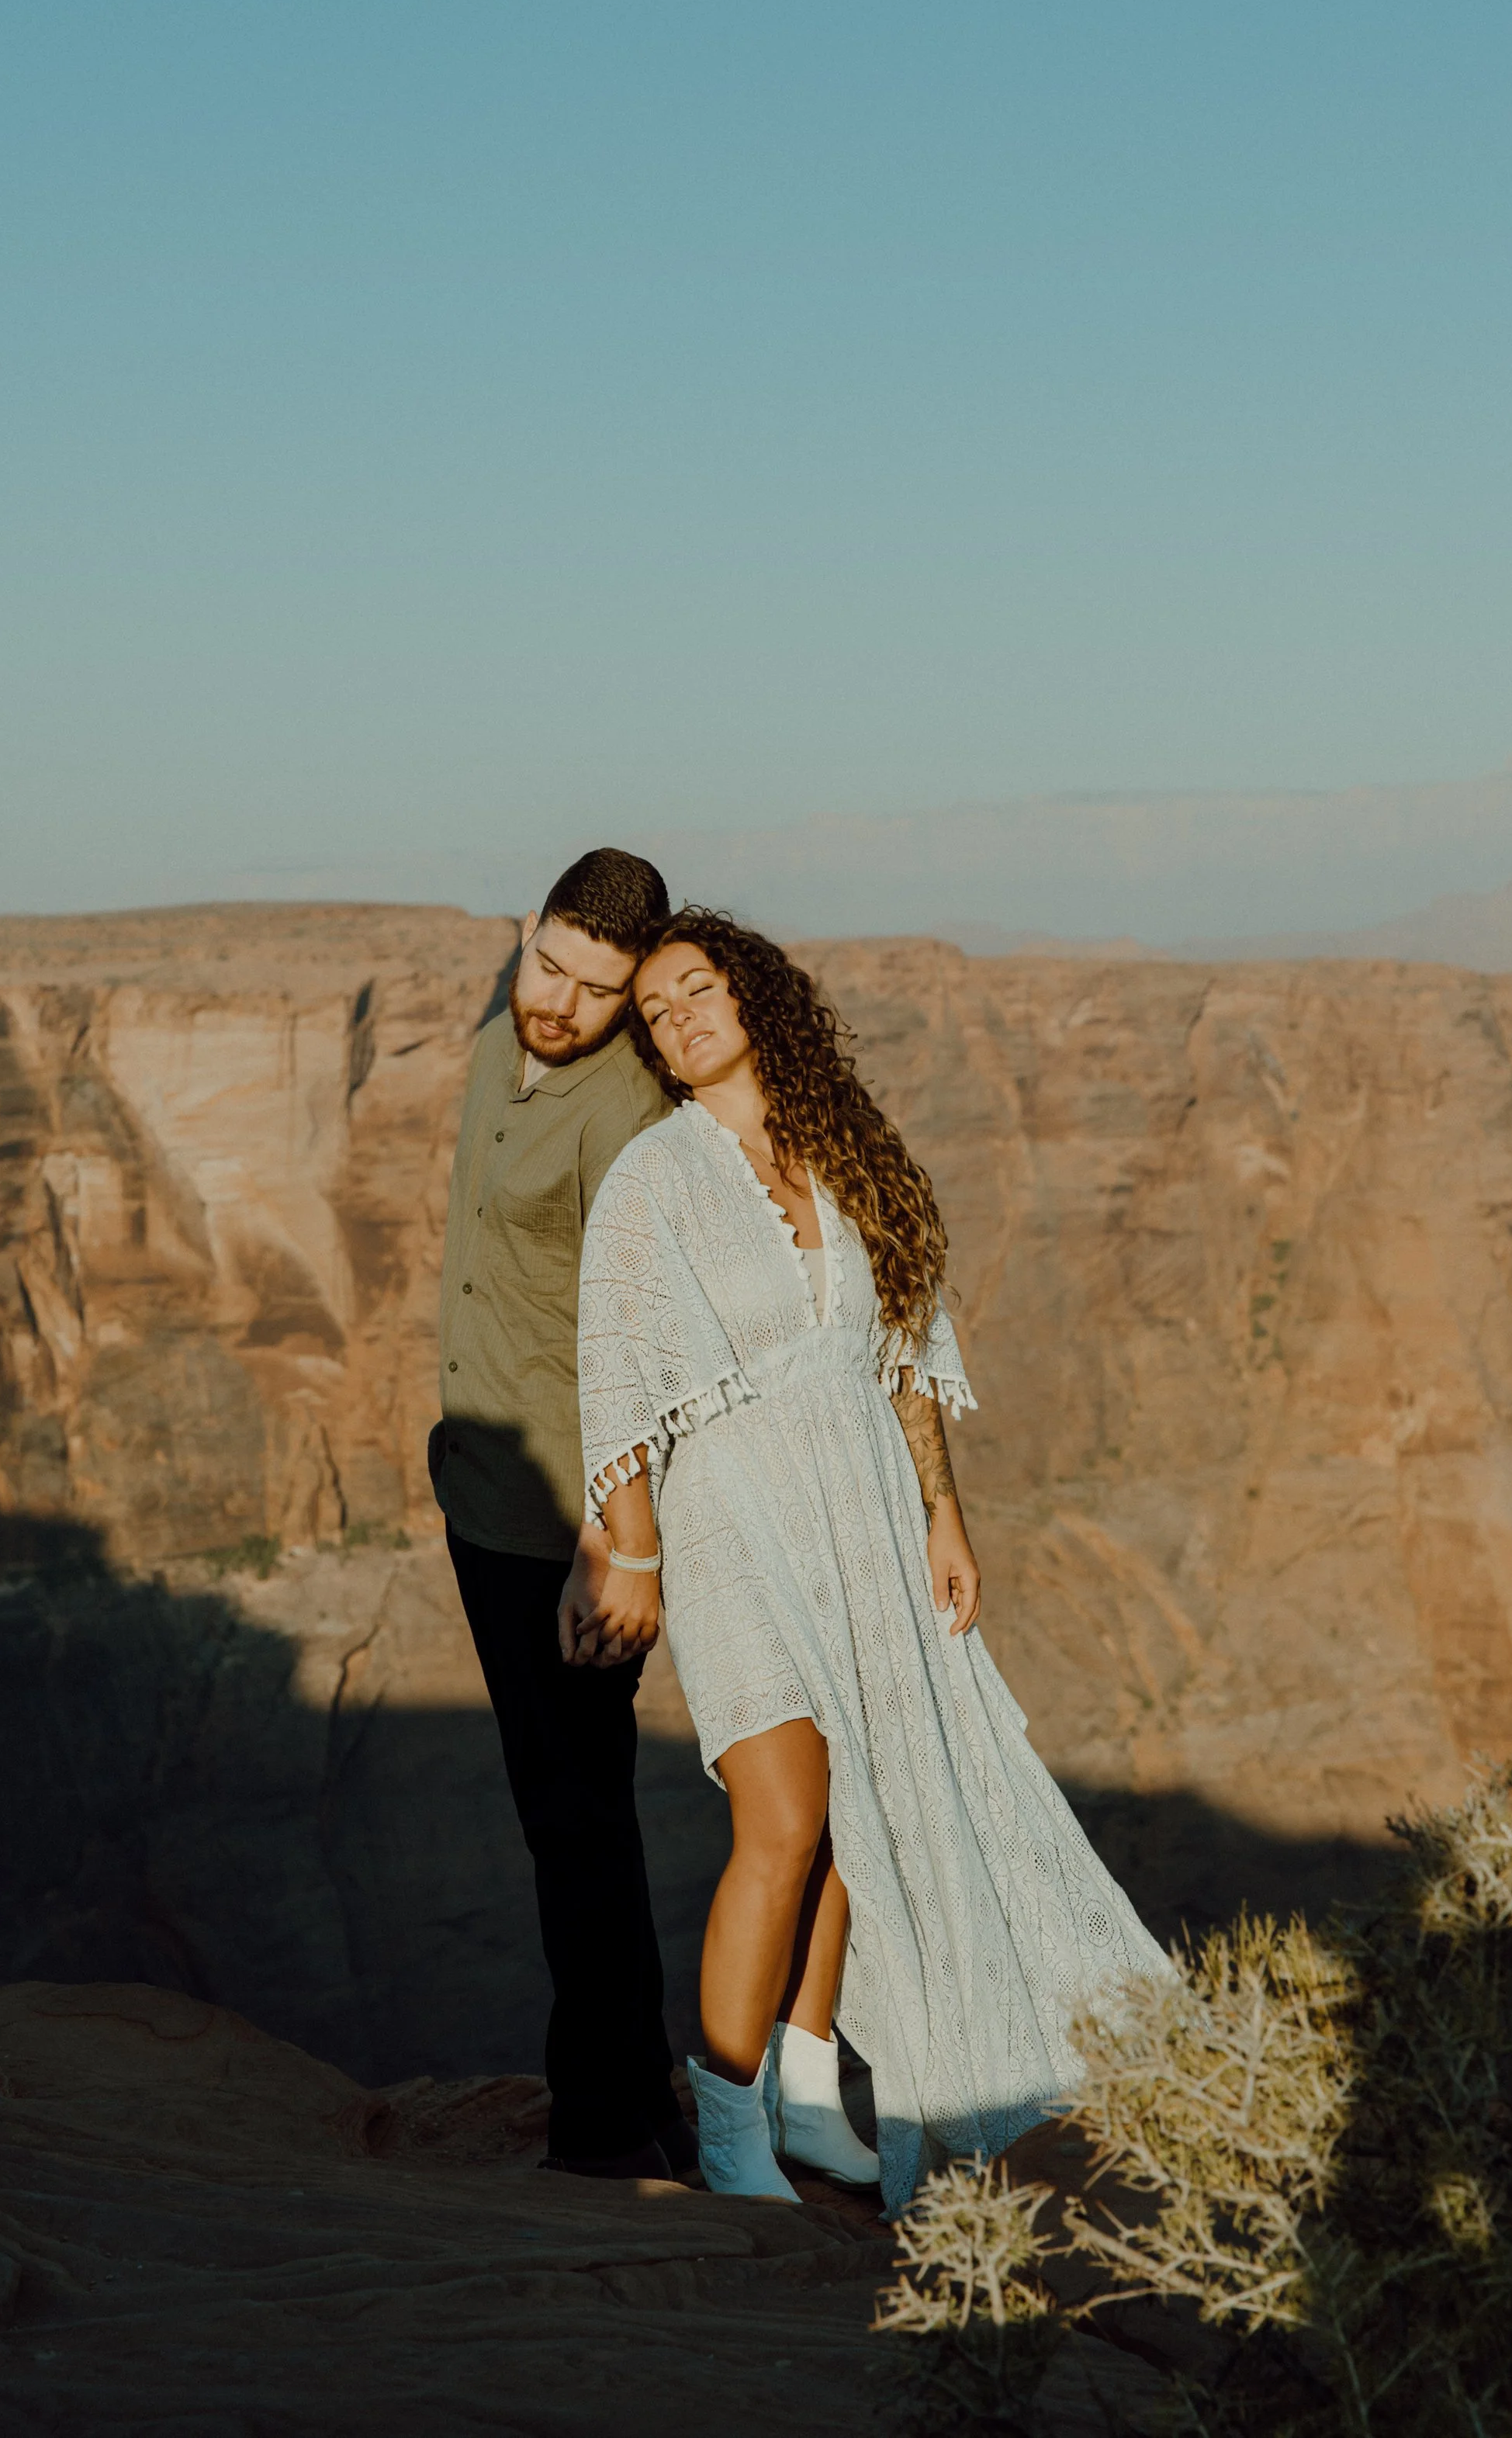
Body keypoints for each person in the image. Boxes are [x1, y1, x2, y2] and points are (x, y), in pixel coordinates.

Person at [576, 906, 1174, 2210]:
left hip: (868, 1509)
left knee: (870, 1815)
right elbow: (615, 1390)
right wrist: (631, 1555)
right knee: (783, 1823)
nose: (677, 1018)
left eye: (696, 990)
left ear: (755, 996)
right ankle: (731, 2122)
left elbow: (904, 1347)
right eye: (656, 1010)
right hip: (739, 1519)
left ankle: (807, 2086)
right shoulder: (652, 1181)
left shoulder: (845, 1154)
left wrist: (942, 1514)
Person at [431, 847, 698, 2180]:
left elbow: (646, 1334)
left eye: (598, 991)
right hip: (482, 1496)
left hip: (574, 1524)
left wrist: (620, 1538)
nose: (560, 1005)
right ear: (523, 937)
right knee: (573, 1805)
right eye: (549, 967)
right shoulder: (497, 1041)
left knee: (575, 1817)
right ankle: (632, 2089)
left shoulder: (631, 1113)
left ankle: (601, 2128)